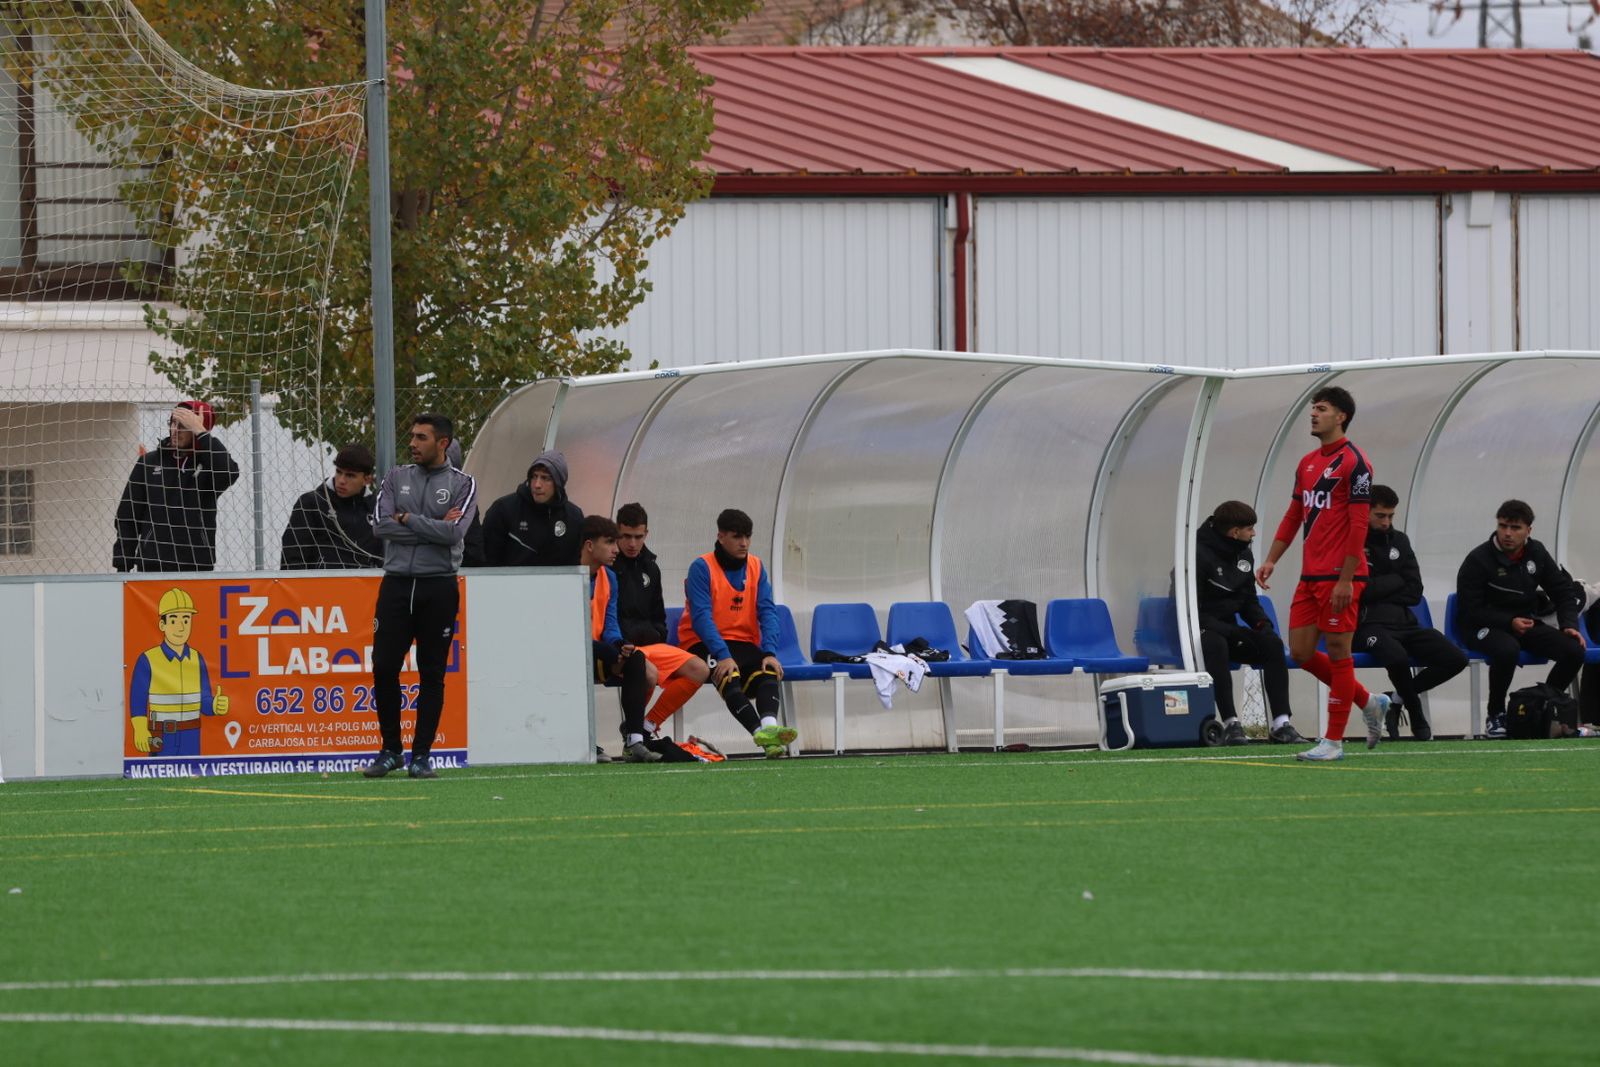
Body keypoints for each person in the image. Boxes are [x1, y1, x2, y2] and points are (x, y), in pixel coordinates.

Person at [1256, 386, 1391, 762]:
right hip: (1310, 576)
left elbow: (1359, 524)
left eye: (1322, 409)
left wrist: (1347, 579)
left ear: (1341, 416)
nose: (1313, 414)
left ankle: (1333, 742)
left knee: (1337, 652)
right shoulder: (1307, 463)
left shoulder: (1355, 462)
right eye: (1313, 408)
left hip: (1341, 576)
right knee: (1299, 652)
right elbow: (1294, 514)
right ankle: (1369, 701)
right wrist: (1271, 558)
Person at [363, 413, 477, 780]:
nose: (412, 443)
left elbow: (455, 534)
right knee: (384, 667)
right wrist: (434, 526)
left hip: (438, 586)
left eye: (421, 437)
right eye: (412, 436)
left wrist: (408, 521)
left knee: (432, 673)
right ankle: (391, 749)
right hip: (396, 584)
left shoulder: (464, 484)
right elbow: (381, 526)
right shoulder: (396, 477)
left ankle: (422, 756)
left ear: (442, 443)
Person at [1455, 499, 1585, 738]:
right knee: (1506, 649)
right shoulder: (1478, 559)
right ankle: (1495, 715)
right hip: (1480, 626)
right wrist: (1508, 622)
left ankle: (1546, 705)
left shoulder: (1537, 553)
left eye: (1515, 528)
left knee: (1574, 650)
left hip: (1522, 623)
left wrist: (1568, 625)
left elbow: (1563, 592)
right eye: (1503, 526)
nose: (1507, 533)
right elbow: (1469, 609)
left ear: (1528, 531)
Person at [677, 508, 798, 758]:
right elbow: (701, 618)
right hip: (703, 643)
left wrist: (770, 651)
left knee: (768, 671)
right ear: (721, 537)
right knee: (728, 674)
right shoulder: (701, 567)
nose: (744, 543)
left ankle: (770, 729)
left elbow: (767, 611)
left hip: (742, 643)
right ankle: (761, 736)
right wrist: (722, 654)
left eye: (747, 536)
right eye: (736, 537)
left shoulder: (756, 566)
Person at [1355, 484, 1467, 740]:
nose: (1386, 522)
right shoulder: (1352, 541)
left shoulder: (1400, 541)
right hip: (1367, 625)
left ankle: (1395, 700)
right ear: (1365, 512)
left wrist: (1378, 586)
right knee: (1396, 656)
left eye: (1391, 516)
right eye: (1380, 515)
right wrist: (1396, 580)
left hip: (1405, 623)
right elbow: (1360, 592)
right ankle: (1416, 713)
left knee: (1456, 658)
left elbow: (1415, 591)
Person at [1193, 500, 1300, 746]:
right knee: (1215, 643)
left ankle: (1281, 724)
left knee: (1272, 643)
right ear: (1234, 532)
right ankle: (1231, 724)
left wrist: (1263, 625)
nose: (1253, 533)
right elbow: (1191, 609)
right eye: (1250, 529)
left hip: (1230, 630)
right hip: (1200, 631)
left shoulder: (1244, 553)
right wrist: (1231, 630)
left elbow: (1248, 600)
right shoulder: (1196, 553)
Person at [613, 502, 710, 735]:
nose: (632, 543)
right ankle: (633, 732)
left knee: (699, 668)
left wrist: (658, 634)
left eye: (638, 536)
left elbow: (658, 613)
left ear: (646, 534)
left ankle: (646, 726)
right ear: (617, 533)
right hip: (621, 648)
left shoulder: (651, 568)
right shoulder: (609, 566)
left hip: (650, 646)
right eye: (626, 536)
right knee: (649, 673)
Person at [113, 400, 240, 572]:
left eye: (184, 425)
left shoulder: (208, 464)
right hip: (152, 564)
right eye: (173, 423)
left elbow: (229, 473)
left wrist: (201, 432)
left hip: (196, 565)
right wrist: (123, 564)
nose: (175, 430)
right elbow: (128, 516)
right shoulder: (149, 462)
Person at [582, 514, 661, 763]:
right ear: (589, 546)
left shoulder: (610, 577)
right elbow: (563, 633)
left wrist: (617, 643)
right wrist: (603, 649)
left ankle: (634, 740)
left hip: (598, 650)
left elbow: (611, 623)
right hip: (570, 651)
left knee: (636, 659)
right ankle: (583, 742)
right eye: (610, 542)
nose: (616, 549)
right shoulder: (566, 575)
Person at [128, 587, 230, 757]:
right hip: (161, 734)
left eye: (186, 619)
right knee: (159, 778)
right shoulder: (148, 659)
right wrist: (139, 728)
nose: (181, 627)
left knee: (194, 778)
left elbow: (203, 699)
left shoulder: (197, 658)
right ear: (162, 624)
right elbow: (138, 700)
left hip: (191, 733)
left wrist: (214, 705)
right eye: (174, 620)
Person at [279, 444, 383, 570]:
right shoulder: (311, 503)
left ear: (367, 479)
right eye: (339, 472)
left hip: (365, 585)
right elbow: (293, 557)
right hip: (320, 585)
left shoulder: (376, 508)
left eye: (350, 475)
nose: (341, 480)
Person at [480, 450, 583, 567]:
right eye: (534, 476)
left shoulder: (574, 517)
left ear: (558, 483)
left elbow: (574, 568)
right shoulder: (503, 510)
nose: (537, 485)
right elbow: (486, 561)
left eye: (545, 478)